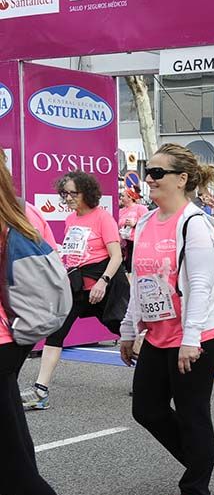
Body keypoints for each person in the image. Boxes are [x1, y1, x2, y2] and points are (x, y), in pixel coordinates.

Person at [118, 143, 214, 495]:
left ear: (181, 179)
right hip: (159, 333)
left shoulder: (194, 223)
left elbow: (199, 284)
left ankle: (197, 494)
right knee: (145, 408)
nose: (149, 179)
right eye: (148, 172)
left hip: (198, 335)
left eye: (157, 173)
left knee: (193, 412)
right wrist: (128, 330)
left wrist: (191, 338)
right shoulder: (146, 223)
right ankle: (204, 456)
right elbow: (141, 282)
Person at [0, 157, 96, 495]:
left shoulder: (18, 215)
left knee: (18, 475)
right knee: (18, 473)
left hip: (7, 344)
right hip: (8, 347)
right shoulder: (18, 211)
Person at [21, 172, 123, 411]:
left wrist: (103, 282)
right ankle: (40, 391)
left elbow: (117, 255)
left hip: (102, 288)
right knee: (56, 333)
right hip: (77, 288)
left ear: (87, 192)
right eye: (64, 193)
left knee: (123, 332)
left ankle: (158, 375)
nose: (67, 198)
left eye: (72, 193)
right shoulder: (71, 220)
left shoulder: (103, 217)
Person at [118, 187, 148, 275]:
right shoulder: (121, 211)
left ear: (130, 197)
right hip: (124, 243)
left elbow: (148, 224)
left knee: (134, 267)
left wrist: (135, 224)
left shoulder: (140, 208)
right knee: (127, 267)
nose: (121, 198)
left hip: (137, 242)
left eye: (123, 196)